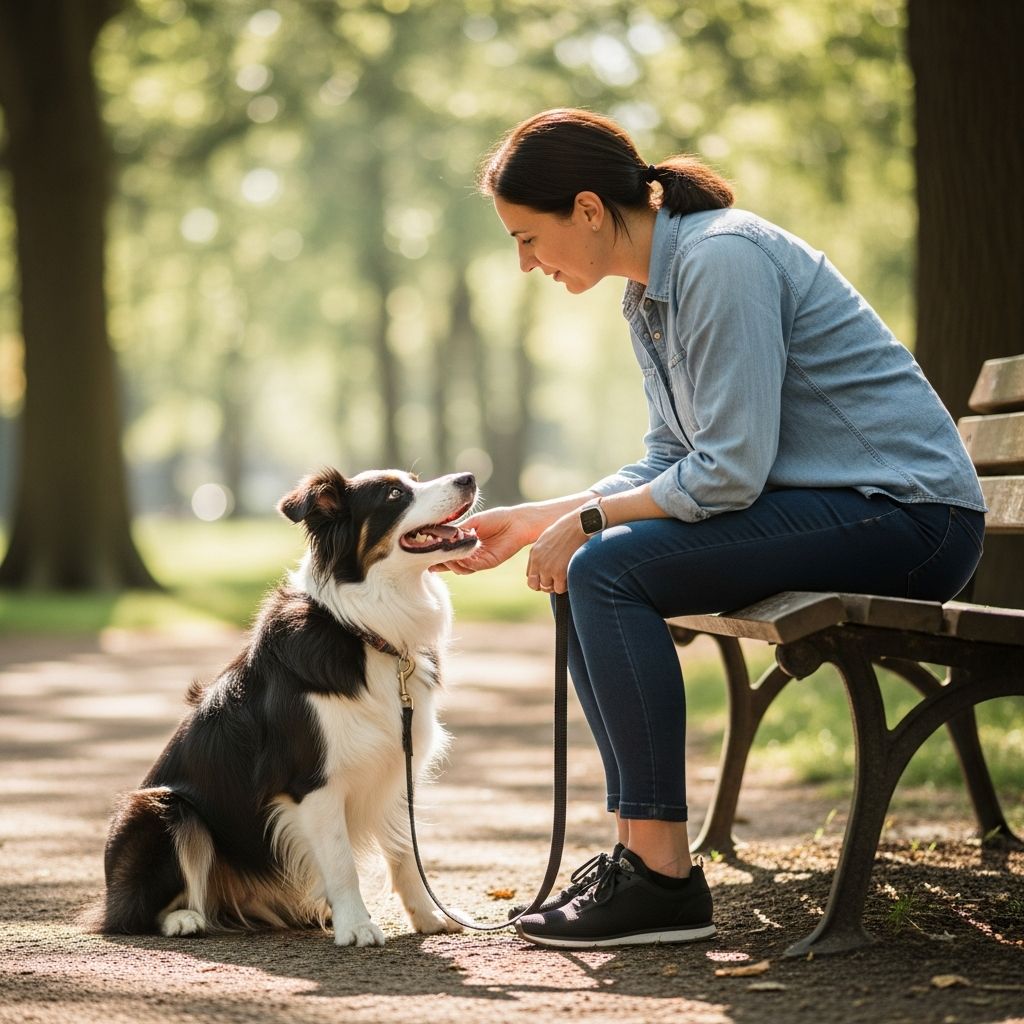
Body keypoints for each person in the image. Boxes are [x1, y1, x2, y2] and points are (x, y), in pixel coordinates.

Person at [438, 108, 987, 950]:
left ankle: (661, 879)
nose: (525, 263)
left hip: (910, 518)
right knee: (594, 562)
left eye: (527, 237)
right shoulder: (649, 295)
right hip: (841, 510)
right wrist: (540, 520)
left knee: (605, 568)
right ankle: (638, 856)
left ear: (588, 210)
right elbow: (671, 458)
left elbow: (728, 471)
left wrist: (587, 522)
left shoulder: (722, 259)